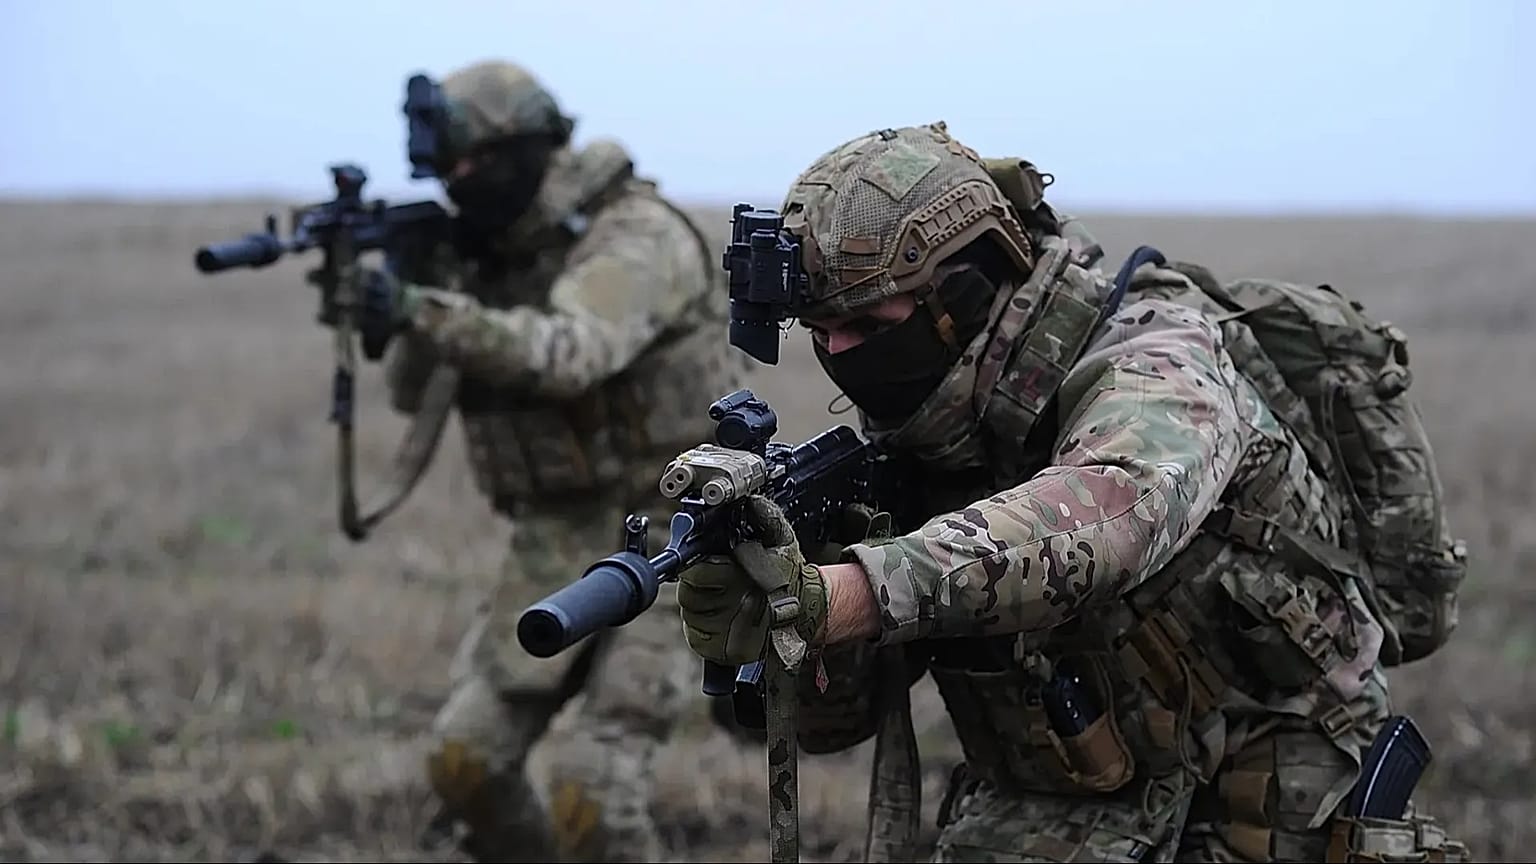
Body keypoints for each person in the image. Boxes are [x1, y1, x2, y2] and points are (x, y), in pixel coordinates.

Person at [673, 122, 1470, 862]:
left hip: (1270, 791)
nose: (843, 354)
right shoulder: (928, 428)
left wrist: (847, 591)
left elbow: (1115, 510)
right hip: (1056, 800)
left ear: (971, 289)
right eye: (821, 334)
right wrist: (782, 622)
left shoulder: (1159, 356)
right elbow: (835, 724)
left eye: (871, 323)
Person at [358, 59, 750, 862]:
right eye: (446, 172)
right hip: (559, 535)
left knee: (591, 786)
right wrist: (415, 290)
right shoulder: (492, 253)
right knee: (465, 761)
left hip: (681, 533)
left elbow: (570, 353)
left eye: (473, 167)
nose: (460, 186)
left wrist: (422, 307)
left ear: (527, 145)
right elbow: (411, 393)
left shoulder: (635, 235)